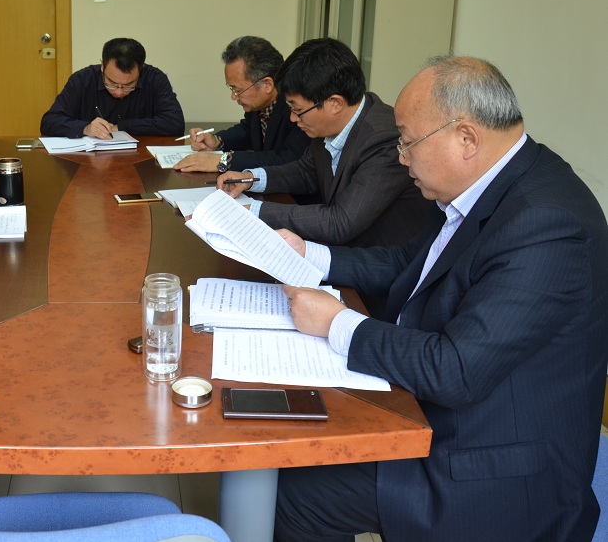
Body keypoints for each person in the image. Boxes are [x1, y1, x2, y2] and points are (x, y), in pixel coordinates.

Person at [275, 56, 608, 542]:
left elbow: (455, 371)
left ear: (466, 138)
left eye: (407, 141)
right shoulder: (486, 182)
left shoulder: (547, 225)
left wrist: (336, 323)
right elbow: (408, 263)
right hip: (452, 416)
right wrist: (311, 255)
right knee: (305, 428)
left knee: (298, 489)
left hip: (493, 473)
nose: (401, 157)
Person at [218, 37, 436, 249]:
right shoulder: (330, 125)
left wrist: (253, 209)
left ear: (335, 103)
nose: (293, 118)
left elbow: (340, 222)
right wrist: (250, 178)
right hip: (341, 248)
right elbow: (304, 172)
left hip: (378, 261)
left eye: (298, 110)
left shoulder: (383, 139)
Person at [173, 36, 310, 173]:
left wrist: (224, 160)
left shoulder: (297, 108)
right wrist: (217, 141)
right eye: (231, 89)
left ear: (267, 84)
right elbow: (248, 130)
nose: (233, 96)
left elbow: (288, 159)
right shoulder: (258, 104)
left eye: (238, 90)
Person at [39, 37, 184, 139]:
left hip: (142, 160)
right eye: (111, 83)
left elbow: (175, 123)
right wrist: (85, 128)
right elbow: (49, 122)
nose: (119, 92)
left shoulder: (155, 79)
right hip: (90, 163)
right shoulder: (82, 80)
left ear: (141, 70)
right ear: (102, 66)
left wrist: (121, 127)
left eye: (128, 85)